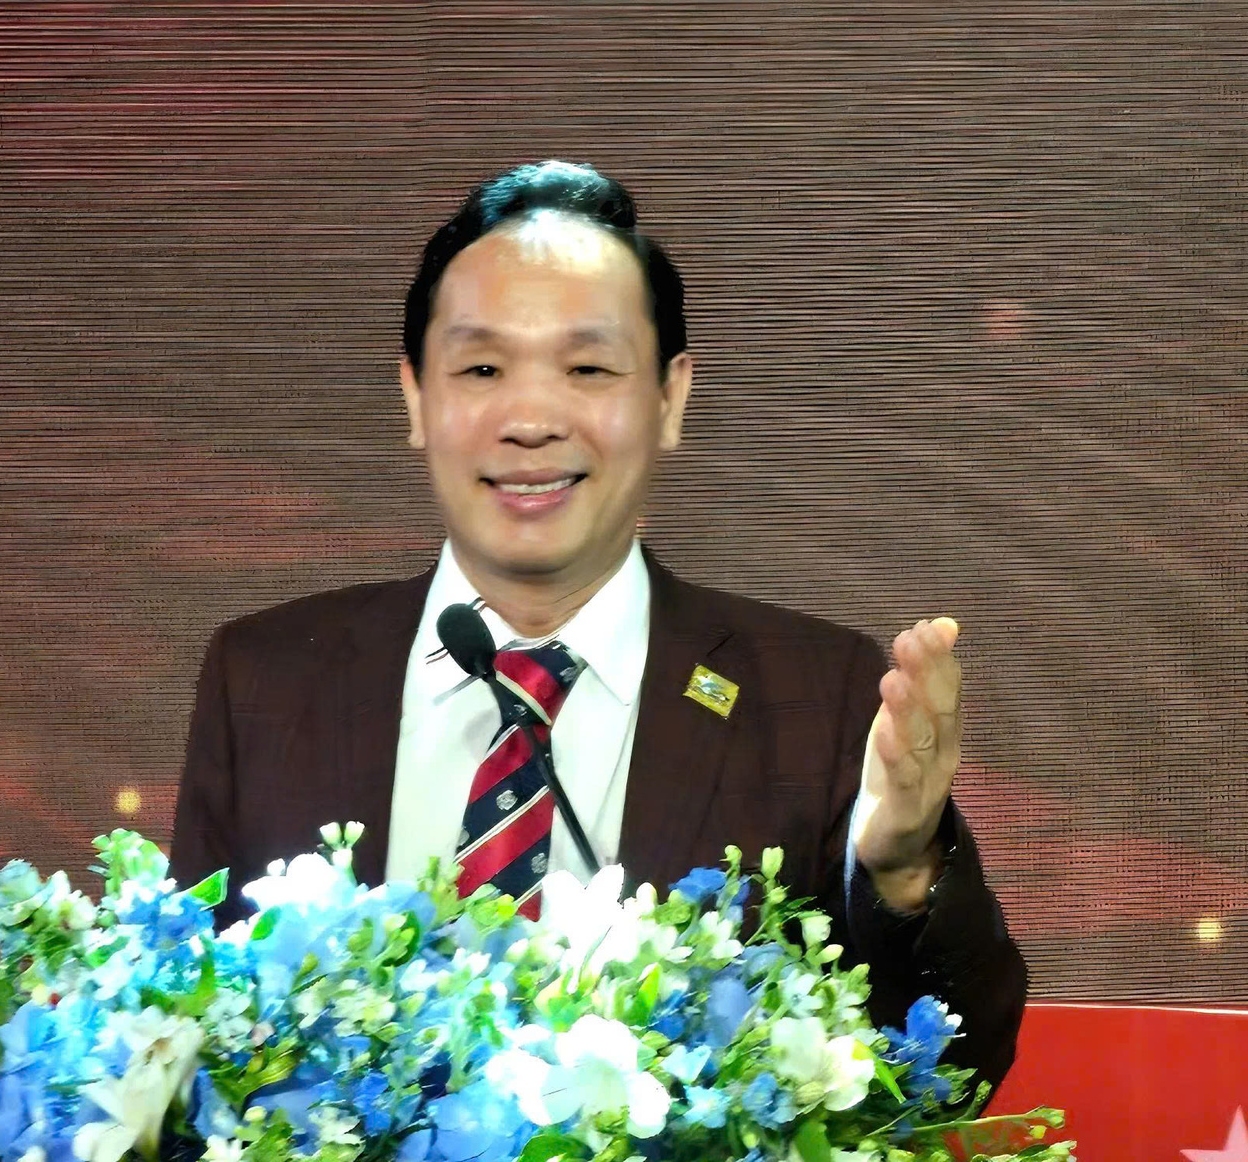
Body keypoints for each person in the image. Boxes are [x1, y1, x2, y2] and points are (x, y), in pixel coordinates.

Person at [169, 160, 1027, 1090]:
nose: (531, 420)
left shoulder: (816, 697)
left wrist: (902, 874)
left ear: (669, 398)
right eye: (482, 368)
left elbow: (958, 1072)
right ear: (416, 397)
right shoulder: (266, 680)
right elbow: (187, 1048)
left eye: (586, 368)